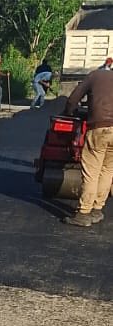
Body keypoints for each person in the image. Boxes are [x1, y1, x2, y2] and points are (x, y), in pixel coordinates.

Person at [64, 56, 113, 227]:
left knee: (92, 170)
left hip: (99, 128)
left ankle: (83, 213)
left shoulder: (94, 76)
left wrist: (70, 112)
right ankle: (97, 209)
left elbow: (73, 99)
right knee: (107, 170)